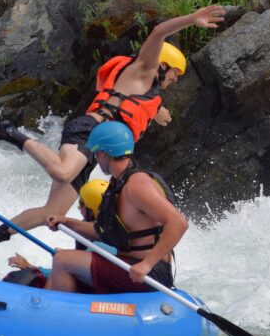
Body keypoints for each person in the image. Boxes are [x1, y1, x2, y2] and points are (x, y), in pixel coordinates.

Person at [0, 5, 224, 270]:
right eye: (175, 74)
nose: (175, 80)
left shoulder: (147, 89)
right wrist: (193, 20)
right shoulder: (144, 68)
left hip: (95, 148)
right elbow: (159, 32)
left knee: (51, 213)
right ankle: (9, 131)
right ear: (163, 64)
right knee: (62, 172)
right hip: (88, 129)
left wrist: (157, 111)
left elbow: (133, 106)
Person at [43, 121, 187, 293]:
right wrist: (66, 222)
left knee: (62, 260)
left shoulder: (137, 184)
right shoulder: (119, 183)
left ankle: (56, 315)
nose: (96, 158)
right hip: (129, 264)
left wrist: (147, 264)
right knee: (66, 260)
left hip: (149, 273)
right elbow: (106, 231)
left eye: (96, 154)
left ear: (104, 154)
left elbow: (179, 223)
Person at [2, 179, 113, 288]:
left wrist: (31, 267)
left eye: (81, 204)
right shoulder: (108, 227)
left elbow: (75, 270)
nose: (78, 208)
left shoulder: (104, 242)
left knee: (21, 278)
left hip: (96, 288)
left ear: (91, 209)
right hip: (91, 279)